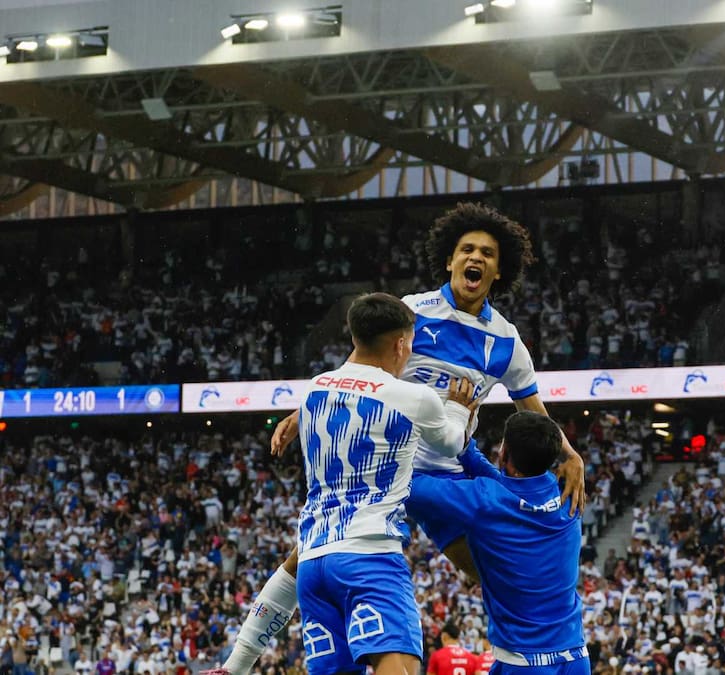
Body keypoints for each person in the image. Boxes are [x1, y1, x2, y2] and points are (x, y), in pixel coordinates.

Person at [206, 203, 586, 675]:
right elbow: (356, 368)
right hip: (389, 466)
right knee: (306, 554)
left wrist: (570, 455)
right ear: (449, 260)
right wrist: (299, 412)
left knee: (495, 577)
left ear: (498, 268)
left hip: (446, 476)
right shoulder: (413, 312)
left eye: (487, 252)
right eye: (466, 249)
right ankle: (238, 662)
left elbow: (533, 410)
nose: (476, 257)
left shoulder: (506, 341)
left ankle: (531, 658)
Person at [293, 293, 476, 675]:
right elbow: (452, 443)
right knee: (403, 668)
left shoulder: (313, 388)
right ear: (401, 343)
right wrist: (458, 408)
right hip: (368, 555)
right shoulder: (412, 396)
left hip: (312, 561)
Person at [406, 412, 588, 675]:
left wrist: (450, 422)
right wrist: (464, 447)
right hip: (575, 656)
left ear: (504, 455)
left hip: (524, 662)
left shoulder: (484, 500)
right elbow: (508, 485)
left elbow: (408, 486)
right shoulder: (567, 490)